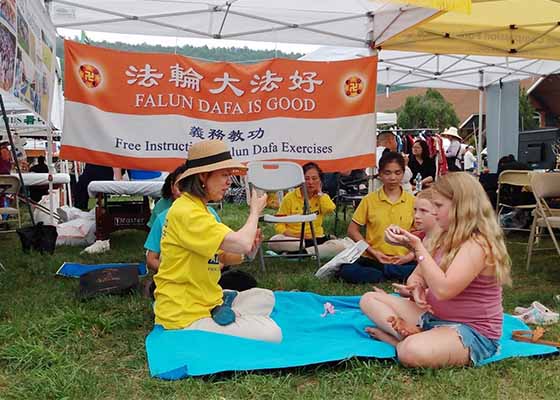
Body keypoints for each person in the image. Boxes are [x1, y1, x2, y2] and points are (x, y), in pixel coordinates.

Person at [359, 172, 511, 367]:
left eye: (439, 206)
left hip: (471, 331)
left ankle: (401, 340)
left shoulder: (477, 244)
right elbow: (418, 277)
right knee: (369, 299)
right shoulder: (445, 236)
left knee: (411, 351)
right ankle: (416, 335)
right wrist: (416, 289)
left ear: (460, 207)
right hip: (434, 317)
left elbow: (444, 290)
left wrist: (418, 248)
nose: (435, 212)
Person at [154, 139, 282, 343]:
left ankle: (224, 307)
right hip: (185, 315)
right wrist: (255, 212)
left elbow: (226, 256)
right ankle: (225, 314)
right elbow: (240, 242)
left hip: (205, 299)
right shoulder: (187, 212)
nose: (229, 182)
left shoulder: (198, 208)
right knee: (272, 334)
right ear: (203, 177)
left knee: (265, 297)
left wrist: (249, 252)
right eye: (224, 175)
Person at [337, 152, 416, 283]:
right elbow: (352, 230)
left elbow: (422, 236)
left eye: (397, 173)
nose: (392, 178)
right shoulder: (369, 200)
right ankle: (390, 274)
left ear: (403, 173)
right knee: (347, 270)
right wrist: (373, 252)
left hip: (404, 259)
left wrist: (409, 256)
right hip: (373, 258)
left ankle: (386, 274)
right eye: (387, 173)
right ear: (380, 174)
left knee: (423, 267)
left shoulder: (413, 201)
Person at [267, 162, 348, 259]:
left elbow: (330, 209)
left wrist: (320, 194)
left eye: (314, 178)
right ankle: (313, 251)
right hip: (294, 239)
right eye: (306, 179)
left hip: (316, 238)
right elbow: (278, 223)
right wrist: (295, 235)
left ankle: (295, 255)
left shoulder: (322, 197)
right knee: (274, 241)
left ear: (320, 181)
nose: (310, 182)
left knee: (340, 247)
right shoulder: (289, 198)